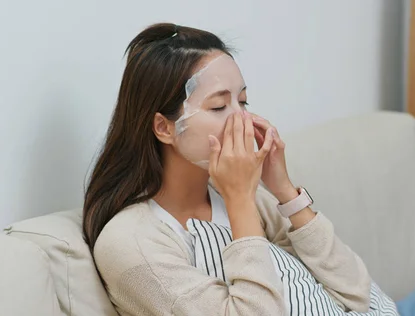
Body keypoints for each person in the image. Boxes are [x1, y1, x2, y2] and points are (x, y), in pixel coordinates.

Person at [83, 23, 376, 315]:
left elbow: (356, 293)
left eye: (243, 102)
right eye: (219, 106)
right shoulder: (130, 244)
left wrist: (285, 192)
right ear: (164, 127)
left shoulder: (246, 199)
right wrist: (239, 202)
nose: (243, 121)